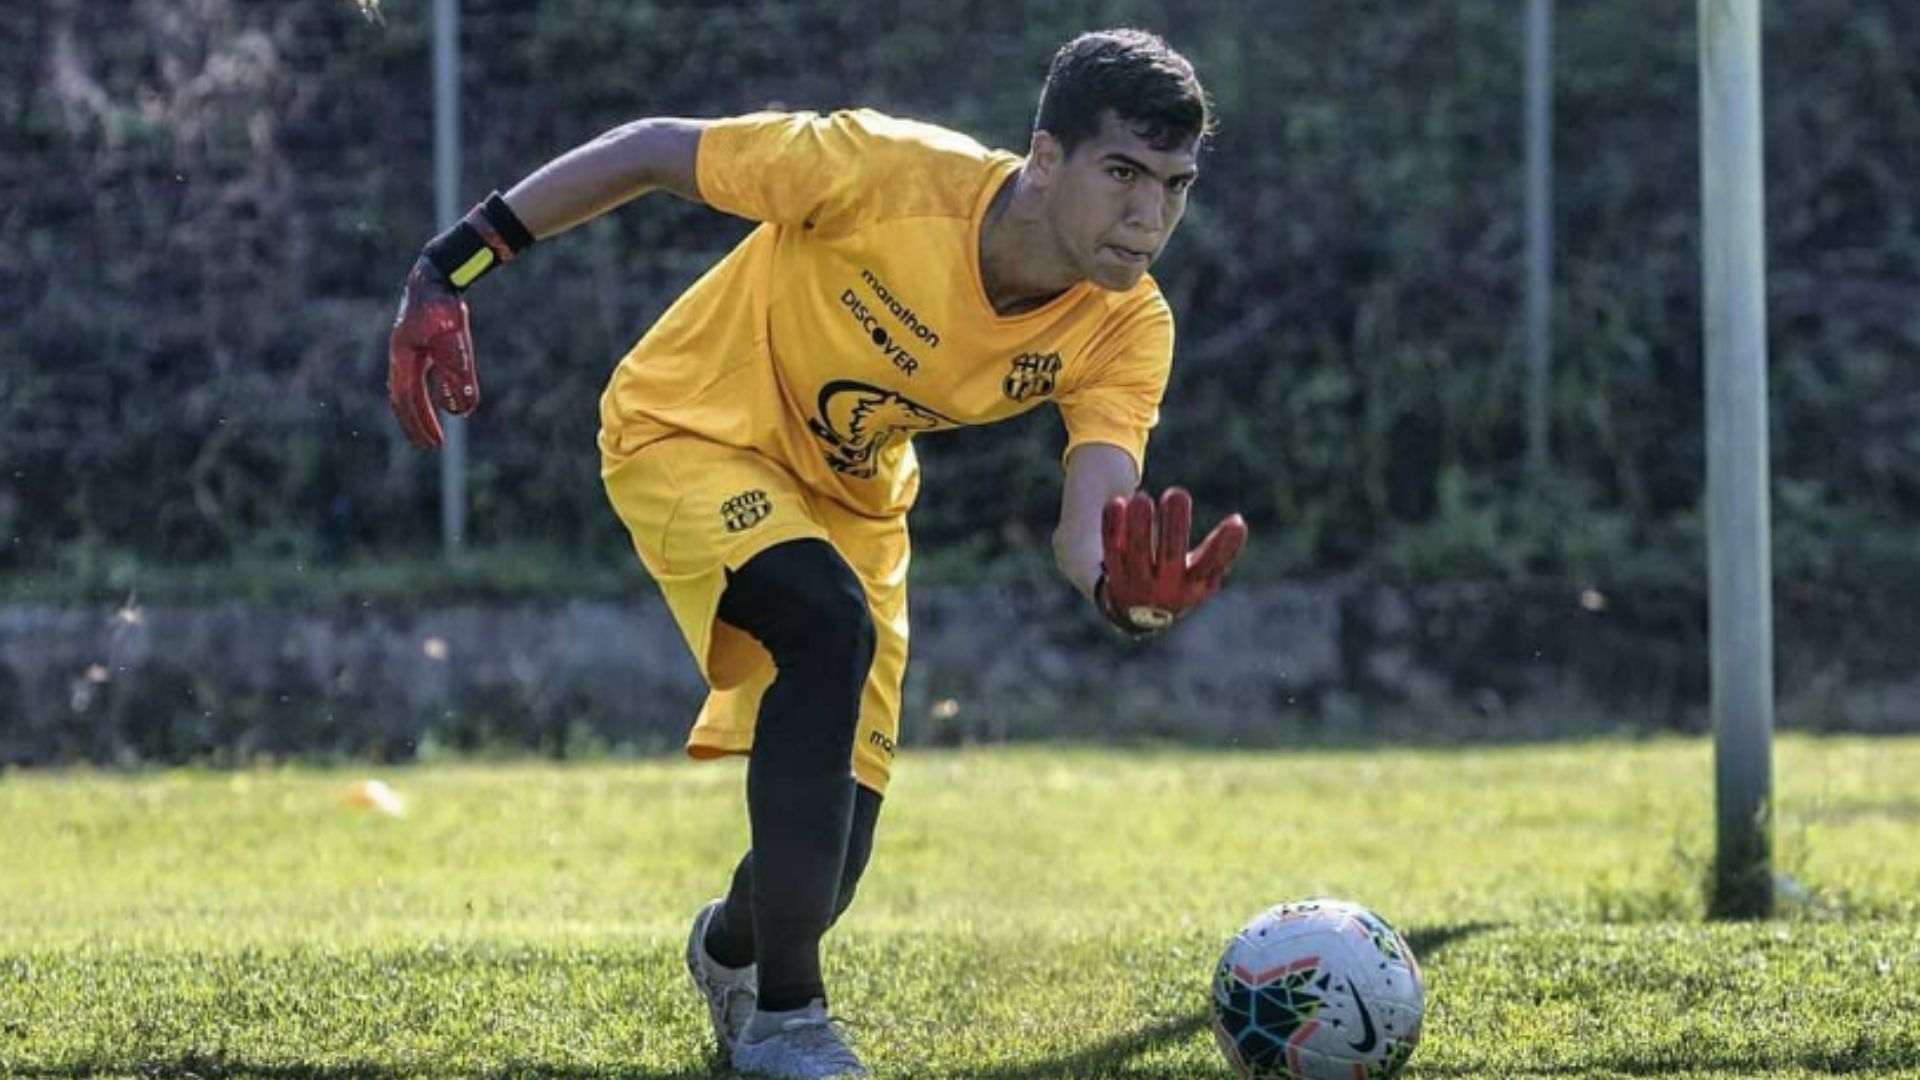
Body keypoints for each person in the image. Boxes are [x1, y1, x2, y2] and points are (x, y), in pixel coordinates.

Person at [387, 27, 1247, 1080]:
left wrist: (1128, 597)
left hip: (854, 509)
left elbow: (1090, 526)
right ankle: (789, 1023)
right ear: (1046, 157)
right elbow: (658, 149)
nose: (1149, 215)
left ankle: (735, 952)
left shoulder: (1127, 328)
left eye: (1174, 185)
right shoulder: (880, 171)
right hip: (690, 428)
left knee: (829, 871)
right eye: (1123, 173)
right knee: (823, 622)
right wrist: (450, 266)